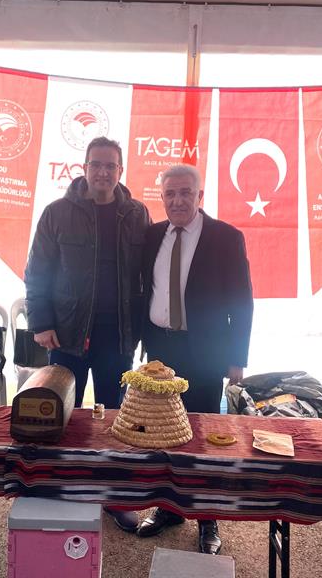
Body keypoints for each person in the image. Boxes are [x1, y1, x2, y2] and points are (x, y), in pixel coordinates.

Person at [24, 136, 150, 532]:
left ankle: (113, 497)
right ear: (84, 168)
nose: (103, 172)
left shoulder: (137, 214)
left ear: (120, 171)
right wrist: (41, 322)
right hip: (66, 334)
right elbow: (37, 272)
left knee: (115, 418)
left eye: (111, 166)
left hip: (118, 336)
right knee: (62, 416)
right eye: (96, 164)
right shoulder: (57, 213)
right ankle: (61, 489)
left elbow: (147, 276)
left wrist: (146, 332)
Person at [135, 163, 253, 555]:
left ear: (200, 196)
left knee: (200, 436)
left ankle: (207, 518)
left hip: (204, 353)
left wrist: (237, 359)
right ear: (162, 198)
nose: (177, 200)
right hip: (161, 351)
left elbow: (242, 303)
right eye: (170, 194)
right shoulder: (151, 236)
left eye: (185, 192)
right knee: (162, 432)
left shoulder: (226, 237)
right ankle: (169, 509)